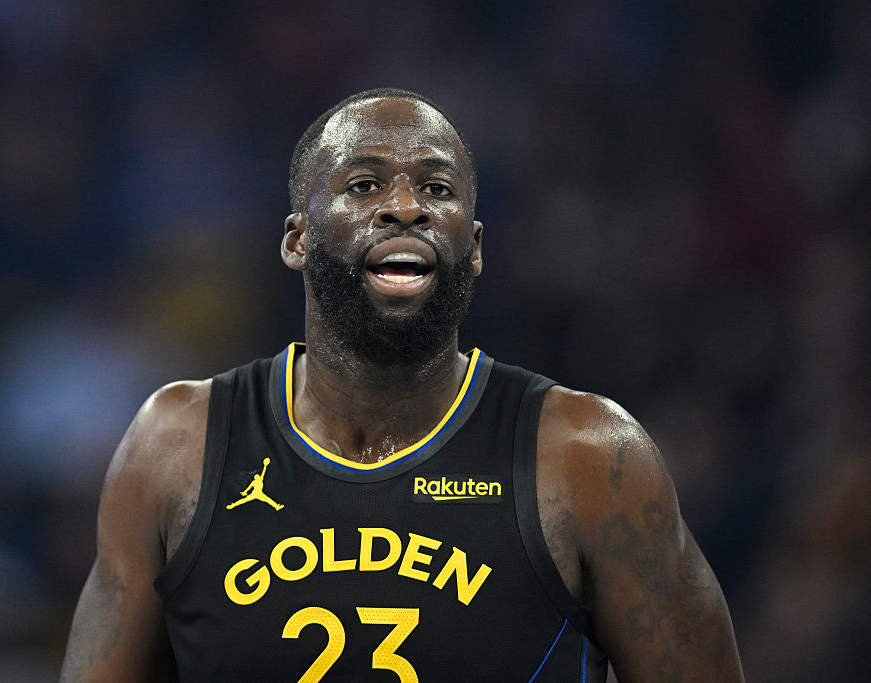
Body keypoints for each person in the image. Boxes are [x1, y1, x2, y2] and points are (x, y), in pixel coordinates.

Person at [60, 88, 745, 682]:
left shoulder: (591, 457)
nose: (405, 207)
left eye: (437, 189)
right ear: (298, 239)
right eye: (363, 184)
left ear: (473, 247)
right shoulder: (177, 446)